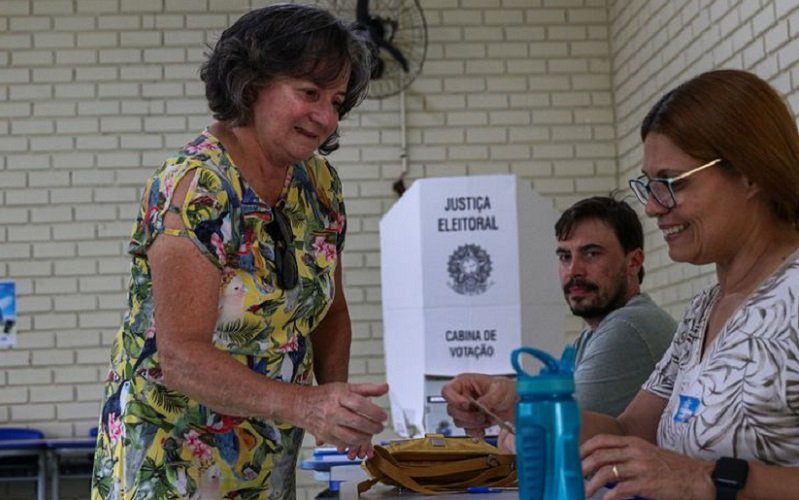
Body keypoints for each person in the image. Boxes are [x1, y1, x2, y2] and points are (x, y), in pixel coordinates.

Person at [443, 69, 799, 499]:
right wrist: (521, 405)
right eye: (648, 186)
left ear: (749, 173)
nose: (651, 207)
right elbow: (627, 430)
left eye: (670, 183)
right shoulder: (706, 309)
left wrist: (700, 478)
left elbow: (687, 472)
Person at [91, 5, 389, 499]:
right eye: (309, 93)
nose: (326, 117)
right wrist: (305, 405)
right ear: (250, 84)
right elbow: (181, 357)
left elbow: (329, 311)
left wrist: (337, 407)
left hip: (267, 458)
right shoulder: (196, 185)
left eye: (336, 100)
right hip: (173, 465)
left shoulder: (317, 184)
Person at [555, 196, 676, 416]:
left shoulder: (628, 327)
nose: (574, 270)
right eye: (565, 256)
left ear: (634, 262)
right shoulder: (589, 336)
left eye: (591, 254)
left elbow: (553, 430)